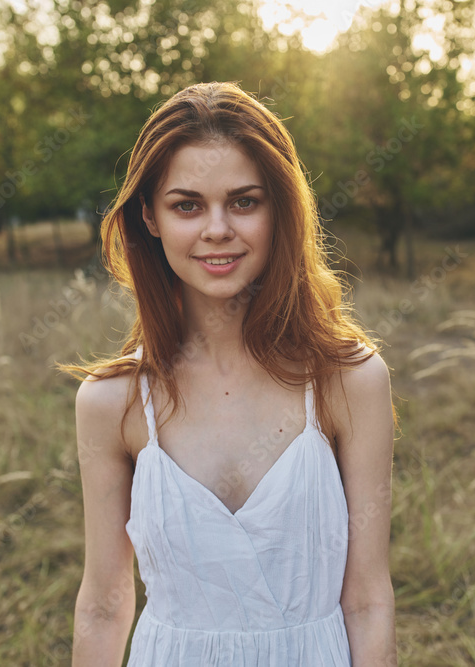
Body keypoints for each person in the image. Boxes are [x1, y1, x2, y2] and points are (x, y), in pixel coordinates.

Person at [59, 81, 397, 666]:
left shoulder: (349, 382)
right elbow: (104, 604)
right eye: (187, 205)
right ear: (151, 217)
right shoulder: (111, 403)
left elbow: (367, 601)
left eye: (244, 201)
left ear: (280, 210)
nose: (217, 228)